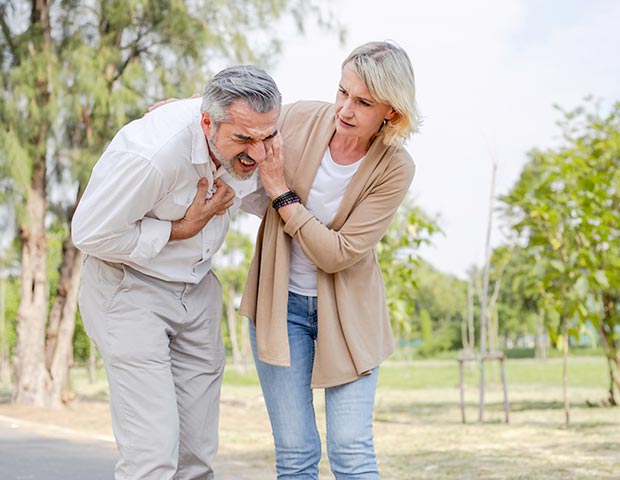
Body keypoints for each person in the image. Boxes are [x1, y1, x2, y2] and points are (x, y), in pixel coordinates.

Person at [72, 65, 282, 480]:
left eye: (267, 138)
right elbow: (90, 233)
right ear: (206, 122)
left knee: (196, 458)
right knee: (152, 457)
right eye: (243, 139)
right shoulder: (151, 155)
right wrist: (179, 229)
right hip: (128, 290)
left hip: (197, 290)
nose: (257, 154)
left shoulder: (254, 127)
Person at [240, 41, 420, 479]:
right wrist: (184, 108)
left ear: (391, 113)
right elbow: (239, 114)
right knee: (296, 453)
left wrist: (281, 194)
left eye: (362, 102)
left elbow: (337, 254)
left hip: (350, 317)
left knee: (351, 451)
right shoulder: (301, 117)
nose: (345, 108)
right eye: (342, 92)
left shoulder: (396, 168)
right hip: (279, 308)